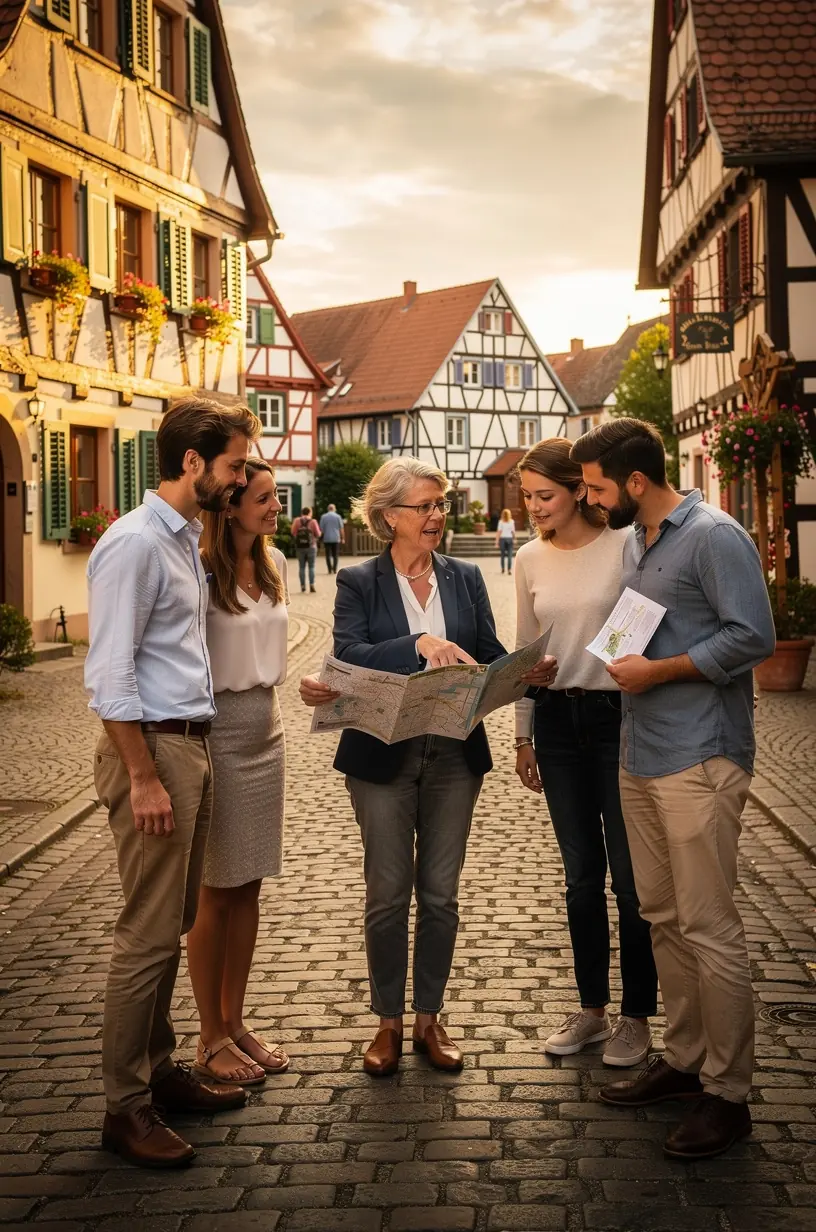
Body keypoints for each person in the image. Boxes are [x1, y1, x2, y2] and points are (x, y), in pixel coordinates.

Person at [299, 457, 557, 1079]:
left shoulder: (465, 577)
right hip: (380, 758)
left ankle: (428, 1020)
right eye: (425, 507)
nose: (438, 515)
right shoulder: (360, 581)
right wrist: (417, 644)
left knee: (440, 895)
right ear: (390, 518)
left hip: (453, 756)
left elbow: (489, 653)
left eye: (441, 505)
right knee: (387, 895)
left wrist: (526, 675)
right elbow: (349, 651)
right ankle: (386, 1023)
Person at [571, 417, 775, 1160]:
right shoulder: (637, 539)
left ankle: (730, 1093)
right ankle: (687, 1063)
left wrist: (660, 672)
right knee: (660, 915)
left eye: (596, 487)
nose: (590, 501)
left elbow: (753, 634)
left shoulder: (714, 535)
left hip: (700, 756)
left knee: (709, 924)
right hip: (640, 753)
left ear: (634, 481)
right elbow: (639, 630)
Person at [84, 397, 260, 1169]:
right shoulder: (133, 544)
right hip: (153, 751)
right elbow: (109, 674)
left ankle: (157, 1073)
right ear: (193, 464)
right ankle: (125, 1108)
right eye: (235, 465)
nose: (244, 477)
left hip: (192, 742)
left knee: (177, 914)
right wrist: (142, 776)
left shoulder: (185, 537)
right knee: (149, 931)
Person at [513, 439, 658, 1067]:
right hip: (555, 721)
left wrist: (610, 667)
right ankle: (593, 1010)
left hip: (614, 718)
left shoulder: (625, 547)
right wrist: (523, 733)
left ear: (579, 489)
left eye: (544, 495)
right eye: (526, 498)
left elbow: (642, 624)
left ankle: (637, 1017)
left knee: (629, 878)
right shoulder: (527, 558)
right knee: (579, 878)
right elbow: (524, 648)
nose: (534, 508)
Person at [185, 458, 291, 1089]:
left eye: (276, 497)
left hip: (267, 729)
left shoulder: (272, 566)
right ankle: (208, 1035)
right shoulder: (200, 571)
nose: (275, 507)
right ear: (229, 506)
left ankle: (235, 1018)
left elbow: (267, 649)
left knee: (249, 883)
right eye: (264, 498)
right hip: (218, 732)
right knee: (214, 890)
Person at [292, 506, 321, 593]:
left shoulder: (297, 521)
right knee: (311, 566)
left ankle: (302, 586)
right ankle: (311, 584)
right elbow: (318, 534)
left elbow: (293, 532)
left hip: (300, 547)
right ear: (310, 512)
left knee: (301, 567)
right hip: (311, 546)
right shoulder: (313, 521)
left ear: (302, 513)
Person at [320, 503, 345, 574]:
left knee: (328, 555)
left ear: (328, 509)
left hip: (327, 538)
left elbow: (321, 529)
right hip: (336, 538)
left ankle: (329, 570)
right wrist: (343, 538)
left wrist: (320, 538)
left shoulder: (323, 517)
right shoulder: (338, 517)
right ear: (334, 509)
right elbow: (341, 529)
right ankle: (334, 569)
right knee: (335, 555)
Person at [495, 508, 516, 574]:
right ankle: (509, 570)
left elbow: (499, 532)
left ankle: (503, 569)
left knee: (502, 555)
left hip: (503, 539)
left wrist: (496, 541)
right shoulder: (512, 521)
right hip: (509, 539)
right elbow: (513, 531)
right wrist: (514, 538)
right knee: (510, 555)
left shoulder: (501, 522)